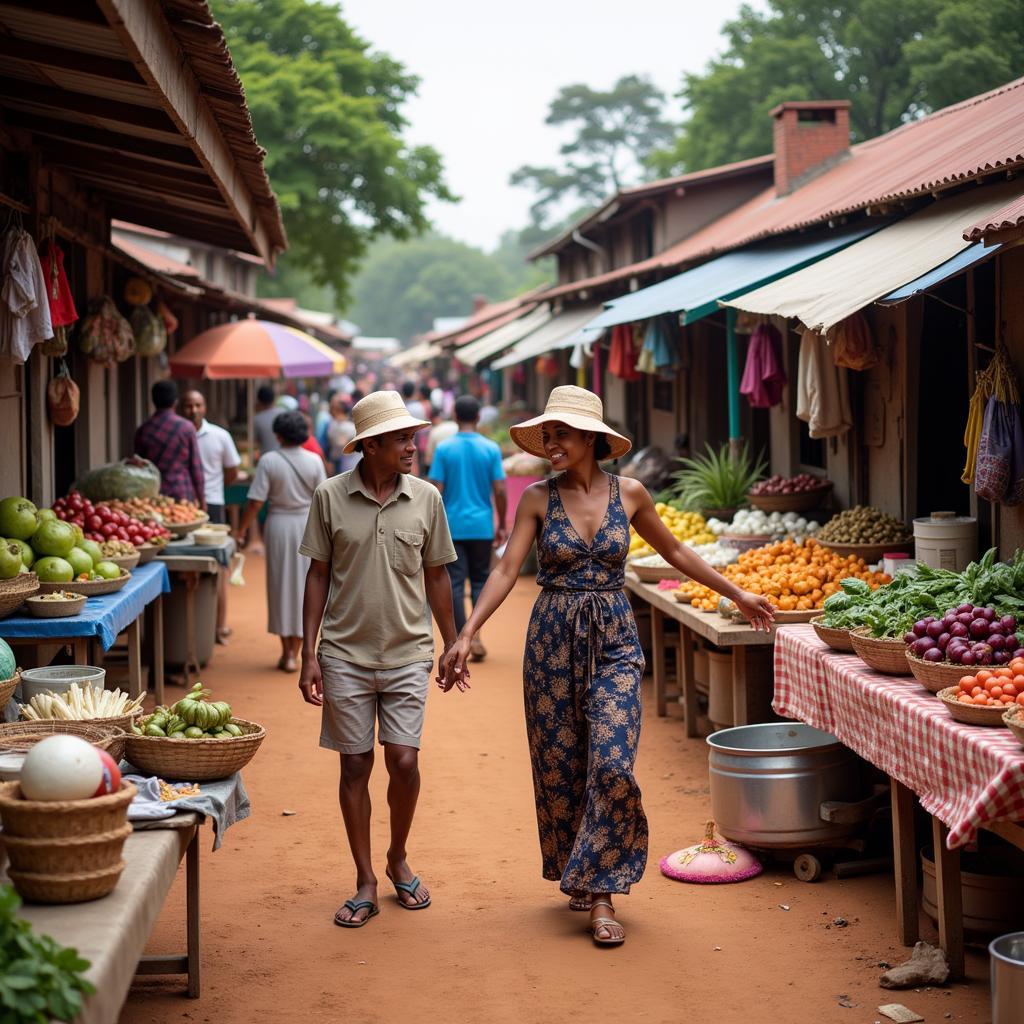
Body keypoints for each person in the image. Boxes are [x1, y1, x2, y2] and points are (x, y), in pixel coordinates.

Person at [441, 386, 774, 947]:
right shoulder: (536, 499)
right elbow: (502, 571)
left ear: (592, 439)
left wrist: (736, 593)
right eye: (547, 435)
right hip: (551, 643)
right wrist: (467, 632)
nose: (551, 444)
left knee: (613, 762)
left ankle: (602, 895)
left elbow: (677, 553)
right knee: (561, 764)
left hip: (617, 640)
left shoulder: (633, 493)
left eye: (561, 435)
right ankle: (580, 864)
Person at [297, 390, 458, 928]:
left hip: (409, 651)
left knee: (404, 760)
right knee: (354, 764)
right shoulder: (329, 496)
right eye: (401, 439)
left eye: (412, 437)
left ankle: (397, 856)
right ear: (369, 446)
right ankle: (365, 877)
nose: (412, 446)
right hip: (343, 651)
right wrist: (308, 653)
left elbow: (438, 575)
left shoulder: (427, 499)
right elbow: (317, 573)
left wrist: (453, 643)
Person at [238, 411, 326, 672]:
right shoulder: (314, 460)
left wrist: (241, 529)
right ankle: (296, 653)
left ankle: (286, 651)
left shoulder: (268, 460)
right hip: (308, 526)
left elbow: (255, 502)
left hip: (277, 525)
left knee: (280, 587)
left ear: (277, 434)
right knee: (304, 587)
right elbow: (323, 498)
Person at [428, 396, 507, 661]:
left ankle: (464, 636)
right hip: (482, 525)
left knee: (456, 583)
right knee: (481, 581)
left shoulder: (444, 449)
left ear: (454, 415)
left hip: (452, 526)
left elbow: (435, 489)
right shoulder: (491, 448)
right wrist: (502, 522)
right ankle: (476, 636)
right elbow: (500, 489)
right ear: (478, 417)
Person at [180, 389, 241, 645]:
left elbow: (232, 471)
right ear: (180, 408)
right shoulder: (177, 436)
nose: (193, 410)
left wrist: (213, 489)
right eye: (188, 405)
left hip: (213, 506)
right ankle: (190, 631)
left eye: (198, 405)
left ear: (204, 407)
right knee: (185, 569)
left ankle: (219, 626)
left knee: (219, 568)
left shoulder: (220, 436)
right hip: (181, 509)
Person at [134, 379, 205, 506]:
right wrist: (202, 500)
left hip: (153, 497)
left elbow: (138, 467)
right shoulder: (186, 428)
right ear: (175, 402)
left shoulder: (143, 430)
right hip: (182, 496)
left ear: (153, 401)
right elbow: (196, 468)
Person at [253, 384, 279, 456]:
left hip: (266, 456)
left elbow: (255, 441)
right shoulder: (284, 414)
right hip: (284, 457)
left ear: (259, 400)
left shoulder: (257, 419)